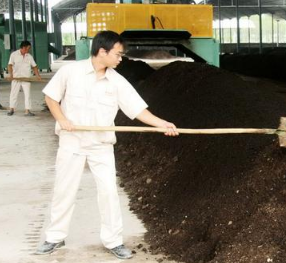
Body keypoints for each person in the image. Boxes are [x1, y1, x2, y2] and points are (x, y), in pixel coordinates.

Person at [37, 30, 179, 260]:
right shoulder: (70, 72)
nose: (120, 58)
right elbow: (51, 97)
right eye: (118, 53)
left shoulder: (117, 81)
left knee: (109, 192)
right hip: (72, 141)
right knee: (65, 189)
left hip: (101, 144)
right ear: (102, 51)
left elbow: (137, 110)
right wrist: (62, 120)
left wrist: (162, 124)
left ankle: (113, 241)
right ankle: (55, 236)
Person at [7, 41, 41, 116]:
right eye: (28, 48)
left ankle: (27, 110)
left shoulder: (29, 56)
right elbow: (10, 65)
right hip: (16, 78)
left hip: (26, 78)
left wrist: (37, 75)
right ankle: (11, 109)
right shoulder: (14, 55)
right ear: (23, 47)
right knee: (13, 93)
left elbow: (34, 66)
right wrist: (11, 75)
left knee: (27, 94)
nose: (28, 50)